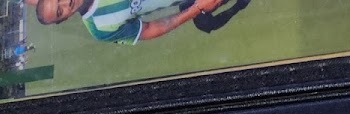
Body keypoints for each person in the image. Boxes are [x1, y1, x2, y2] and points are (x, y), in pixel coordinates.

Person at [34, 0, 227, 44]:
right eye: (60, 11)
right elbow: (150, 29)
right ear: (63, 19)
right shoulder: (100, 29)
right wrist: (197, 8)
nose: (66, 2)